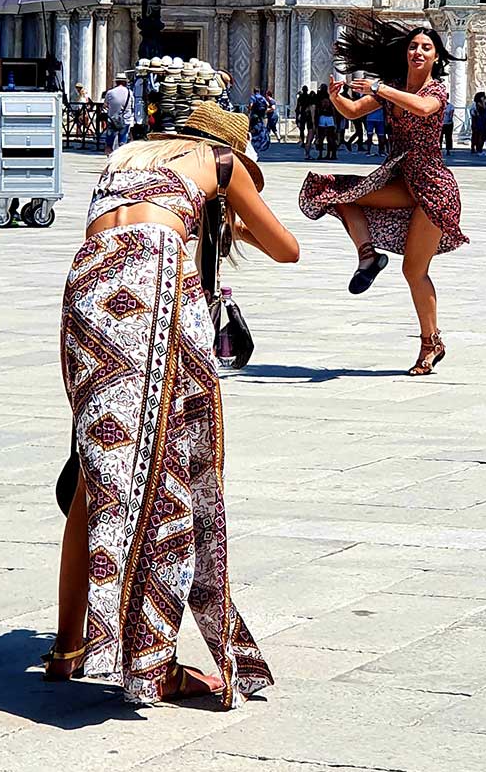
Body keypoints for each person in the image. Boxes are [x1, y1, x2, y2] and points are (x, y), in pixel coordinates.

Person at [48, 100, 299, 705]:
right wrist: (235, 217)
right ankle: (150, 662)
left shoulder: (124, 155)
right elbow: (286, 247)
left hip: (86, 285)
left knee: (99, 469)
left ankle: (67, 649)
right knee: (172, 466)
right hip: (153, 279)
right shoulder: (220, 161)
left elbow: (139, 218)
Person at [299, 15, 467, 376]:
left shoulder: (435, 91)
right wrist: (337, 99)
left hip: (433, 189)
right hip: (401, 178)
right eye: (413, 46)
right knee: (338, 194)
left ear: (436, 57)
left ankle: (430, 342)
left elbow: (421, 109)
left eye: (425, 48)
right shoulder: (391, 86)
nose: (417, 52)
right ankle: (367, 257)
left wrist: (380, 89)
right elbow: (355, 111)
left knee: (413, 270)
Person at [103, 74, 133, 155]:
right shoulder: (130, 93)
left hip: (112, 119)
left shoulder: (110, 92)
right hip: (125, 119)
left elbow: (105, 105)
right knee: (122, 142)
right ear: (125, 82)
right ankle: (120, 156)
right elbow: (132, 105)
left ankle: (109, 155)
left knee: (109, 141)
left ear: (116, 82)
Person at [315, 82, 337, 160]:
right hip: (328, 118)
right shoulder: (329, 96)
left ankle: (323, 154)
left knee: (324, 137)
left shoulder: (319, 96)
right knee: (329, 138)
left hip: (323, 117)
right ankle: (330, 154)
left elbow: (317, 109)